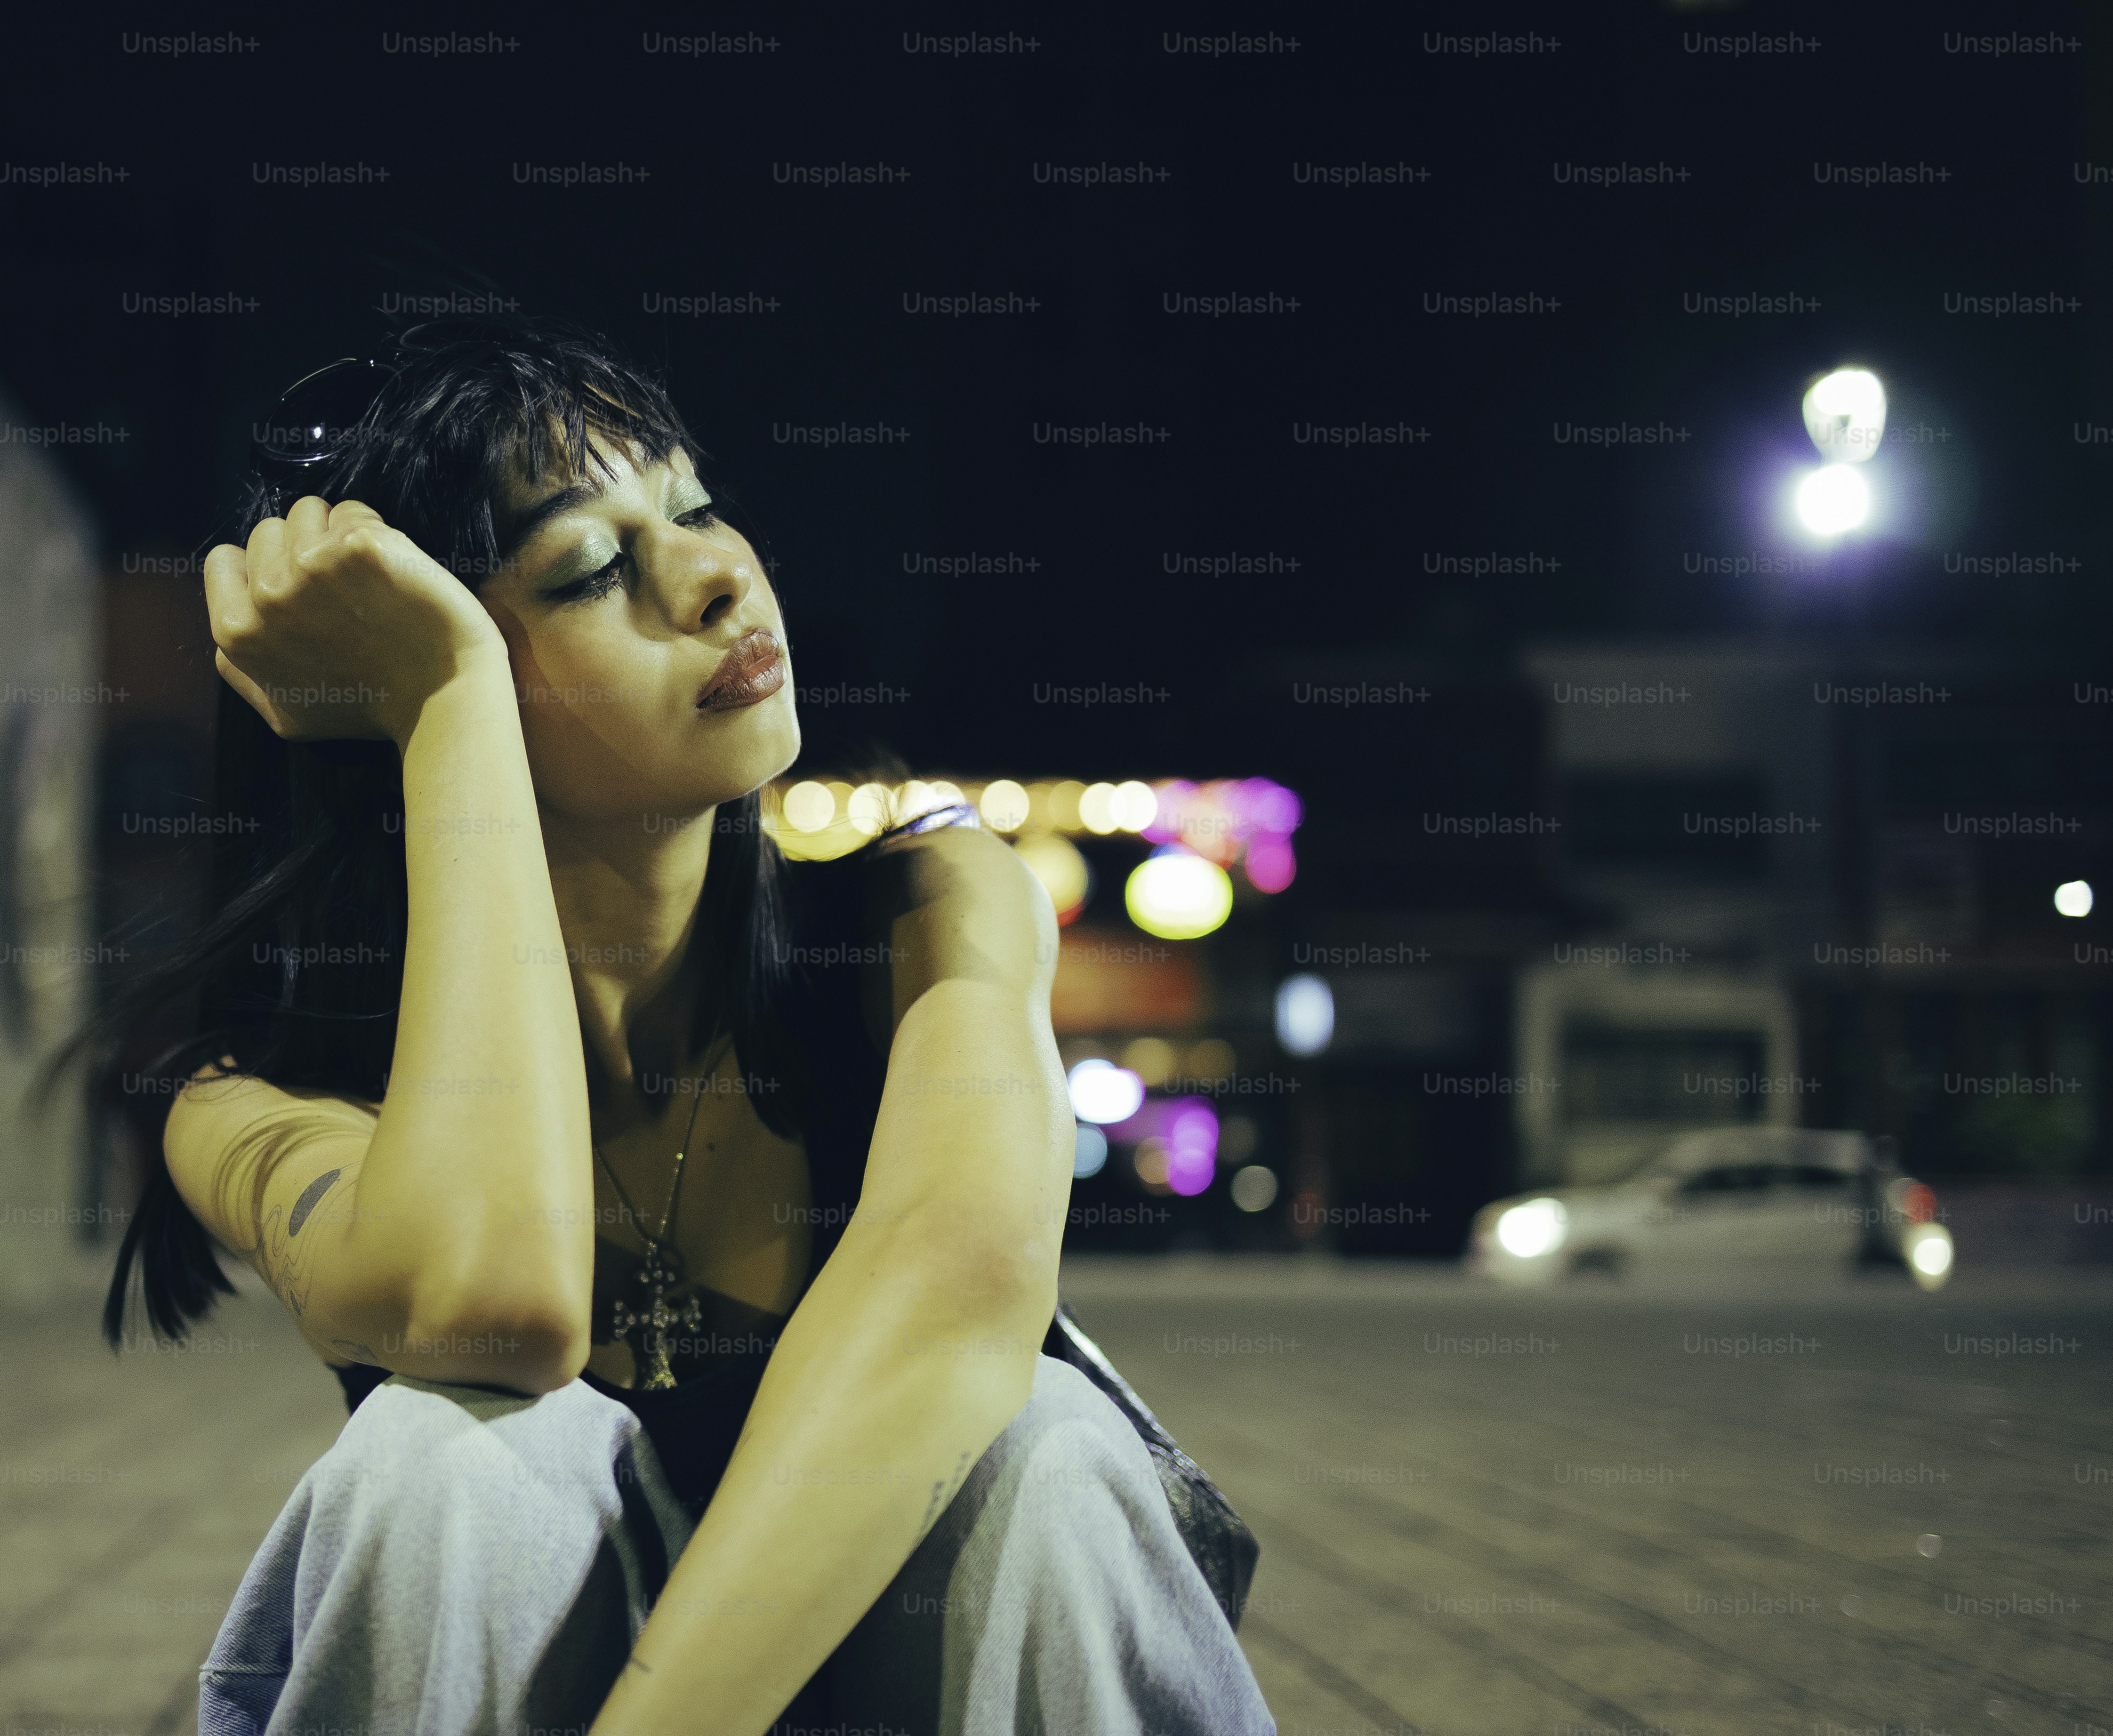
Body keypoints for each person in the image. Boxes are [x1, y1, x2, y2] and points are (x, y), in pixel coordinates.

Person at [63, 317, 1270, 1734]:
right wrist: (449, 706)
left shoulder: (928, 920)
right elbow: (492, 1306)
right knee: (433, 1460)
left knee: (1054, 1455)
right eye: (591, 568)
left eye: (695, 508)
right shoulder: (258, 1097)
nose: (719, 578)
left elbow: (960, 1297)